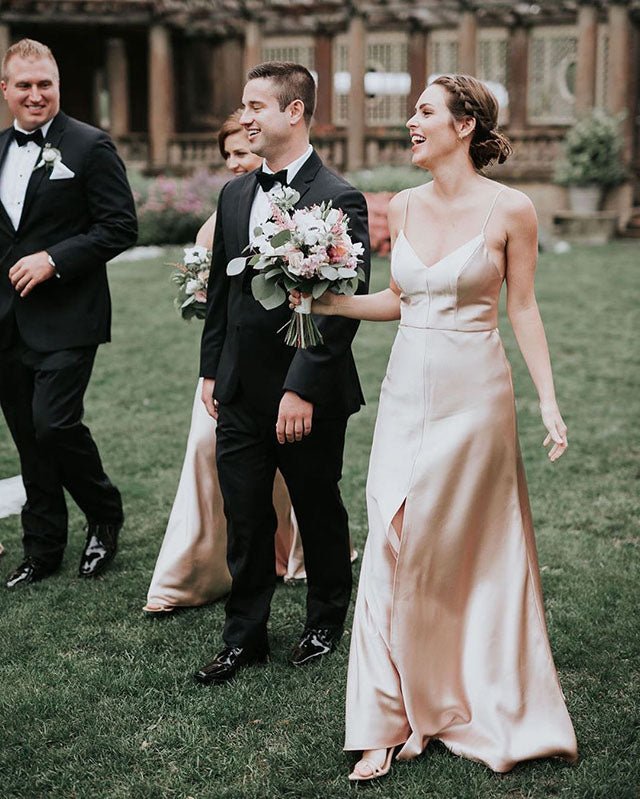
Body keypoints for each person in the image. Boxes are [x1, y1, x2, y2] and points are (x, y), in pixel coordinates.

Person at [291, 74, 577, 780]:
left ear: (464, 125)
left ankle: (471, 691)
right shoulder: (404, 205)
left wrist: (547, 399)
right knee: (390, 534)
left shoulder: (513, 209)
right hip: (404, 393)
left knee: (461, 547)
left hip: (475, 397)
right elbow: (400, 297)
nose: (410, 122)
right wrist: (327, 302)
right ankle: (381, 720)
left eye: (424, 111)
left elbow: (523, 307)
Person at [194, 61, 371, 684]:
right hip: (239, 389)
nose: (245, 118)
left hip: (308, 394)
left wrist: (301, 388)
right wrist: (211, 371)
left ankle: (324, 622)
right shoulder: (235, 194)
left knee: (317, 508)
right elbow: (222, 294)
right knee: (245, 516)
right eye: (244, 107)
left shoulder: (339, 197)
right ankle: (244, 637)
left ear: (293, 112)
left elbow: (343, 307)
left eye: (256, 107)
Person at [143, 112, 308, 614]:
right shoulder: (223, 210)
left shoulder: (293, 207)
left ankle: (289, 550)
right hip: (227, 363)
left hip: (278, 357)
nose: (235, 162)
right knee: (204, 449)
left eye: (242, 152)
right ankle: (195, 569)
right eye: (228, 155)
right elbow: (211, 296)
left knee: (284, 461)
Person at [0, 39, 137, 588]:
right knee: (27, 437)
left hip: (68, 315)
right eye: (24, 85)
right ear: (5, 89)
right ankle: (42, 547)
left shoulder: (89, 145)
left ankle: (104, 513)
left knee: (53, 424)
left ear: (58, 85)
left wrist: (54, 259)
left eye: (45, 84)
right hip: (6, 321)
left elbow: (120, 227)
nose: (36, 95)